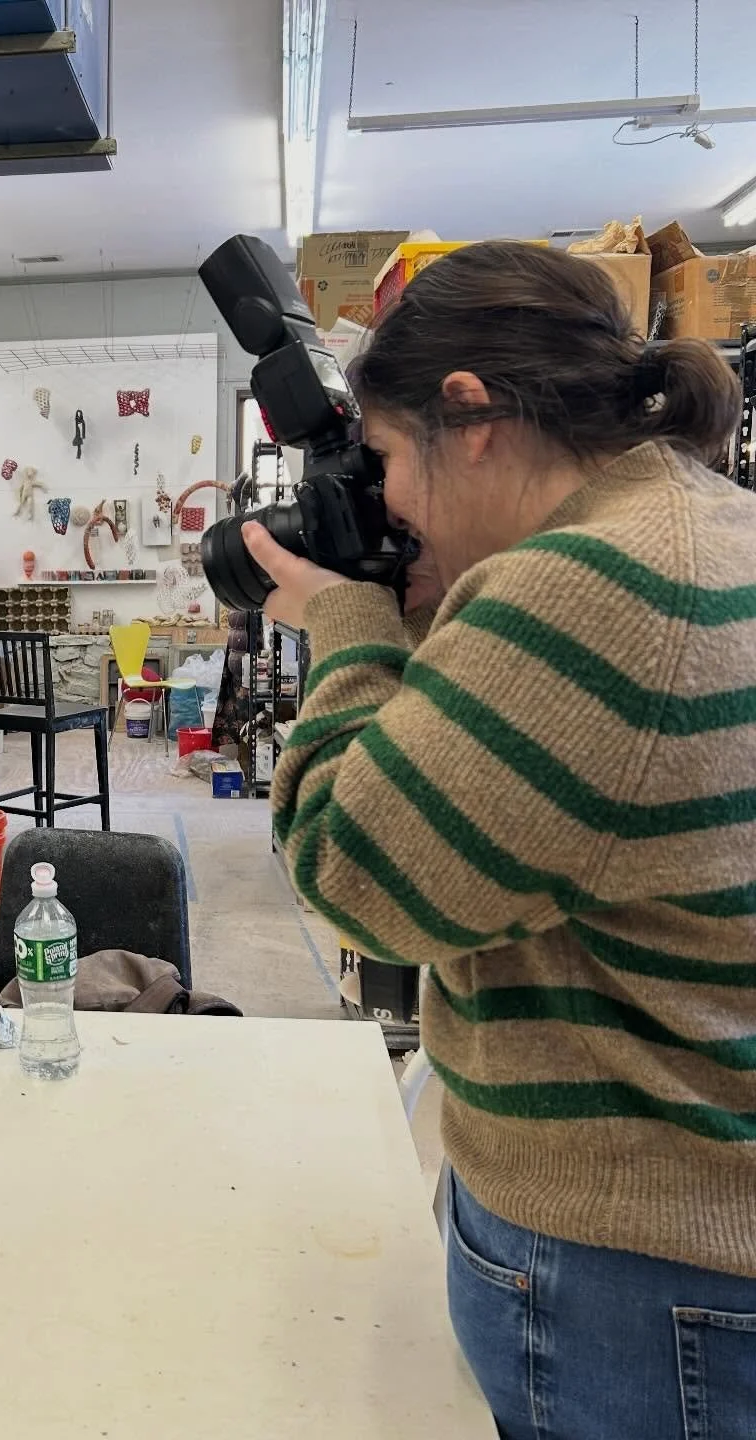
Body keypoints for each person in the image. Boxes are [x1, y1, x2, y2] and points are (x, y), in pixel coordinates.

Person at [246, 242, 755, 1438]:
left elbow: (357, 873)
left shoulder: (599, 587)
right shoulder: (697, 527)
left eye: (385, 461)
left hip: (635, 1269)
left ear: (469, 415)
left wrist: (346, 620)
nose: (393, 510)